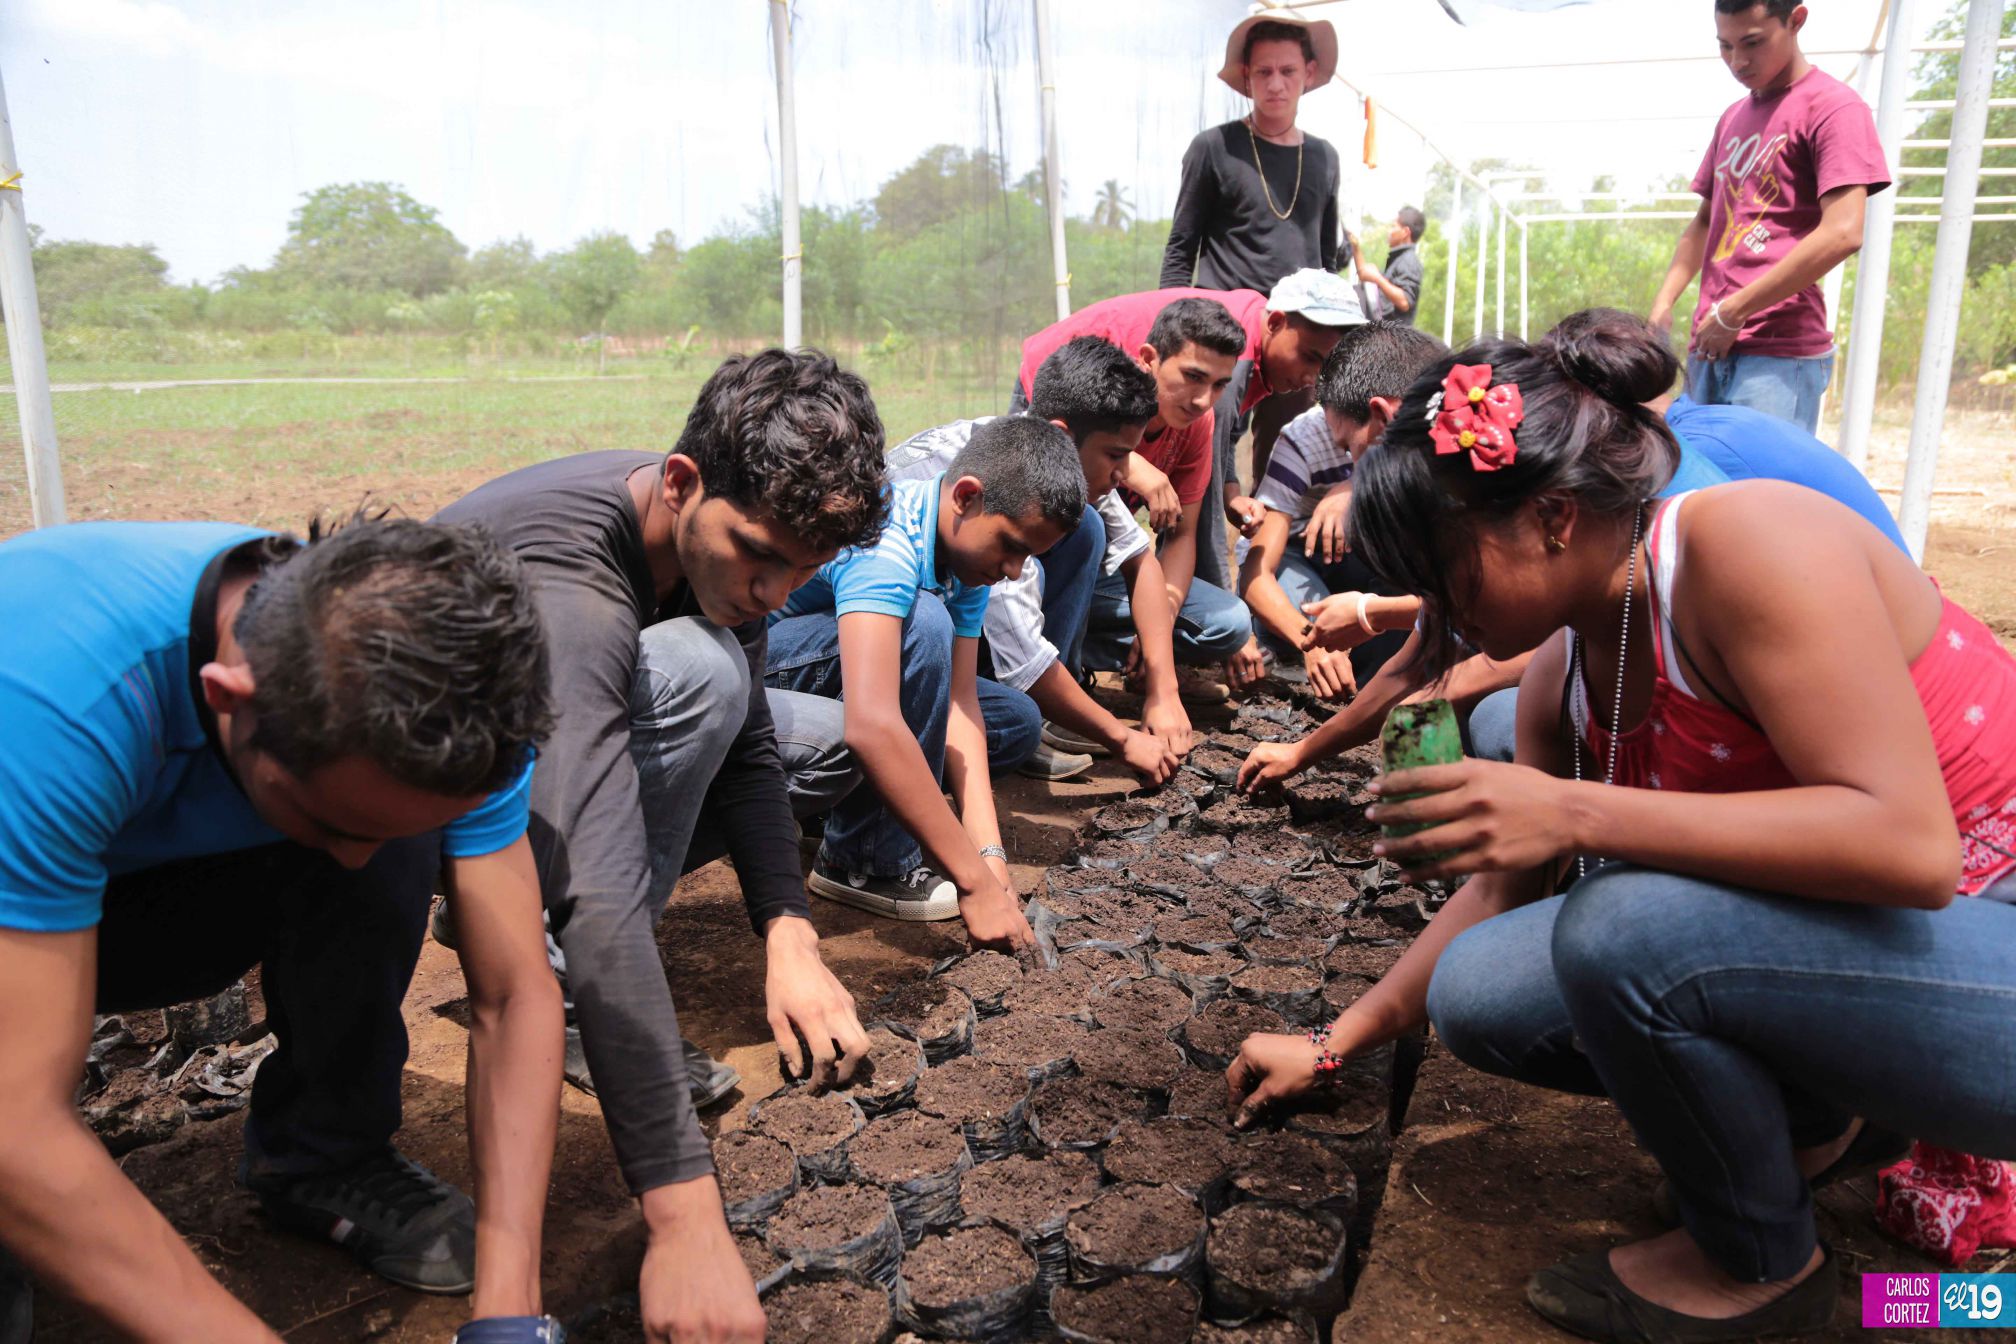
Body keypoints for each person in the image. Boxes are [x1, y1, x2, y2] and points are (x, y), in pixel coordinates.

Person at [1226, 331, 2016, 1343]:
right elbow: (1503, 887)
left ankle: (1761, 1267)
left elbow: (1909, 849)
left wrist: (1576, 813)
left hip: (1983, 953)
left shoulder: (1750, 547)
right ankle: (1827, 1122)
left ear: (1552, 518)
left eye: (1447, 569)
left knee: (1621, 929)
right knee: (1486, 989)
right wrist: (1334, 1044)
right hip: (1883, 955)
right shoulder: (1571, 658)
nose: (1440, 610)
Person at [0, 516, 566, 1342]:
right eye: (330, 822)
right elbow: (17, 1124)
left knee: (384, 837)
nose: (355, 863)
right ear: (231, 697)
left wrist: (510, 1310)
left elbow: (514, 994)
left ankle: (319, 1156)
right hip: (35, 867)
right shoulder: (59, 695)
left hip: (140, 874)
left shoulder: (457, 697)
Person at [433, 349, 891, 1343]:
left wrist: (788, 934)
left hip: (536, 767)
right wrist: (683, 1210)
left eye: (802, 574)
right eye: (760, 557)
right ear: (682, 483)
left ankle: (577, 969)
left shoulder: (716, 550)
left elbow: (756, 754)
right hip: (414, 797)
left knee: (785, 722)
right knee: (703, 671)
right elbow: (598, 881)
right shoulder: (572, 576)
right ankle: (550, 973)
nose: (775, 592)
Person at [1240, 307, 1903, 791]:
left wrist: (1563, 812)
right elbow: (1432, 648)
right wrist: (1308, 748)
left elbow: (1894, 826)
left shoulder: (1692, 512)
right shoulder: (1551, 495)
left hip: (1849, 727)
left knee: (1501, 718)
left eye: (1356, 456)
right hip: (1753, 712)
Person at [766, 416, 1087, 946]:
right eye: (1010, 546)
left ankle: (845, 803)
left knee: (1014, 720)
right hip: (766, 680)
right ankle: (863, 860)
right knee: (925, 626)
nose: (1013, 570)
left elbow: (962, 707)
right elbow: (872, 725)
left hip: (845, 672)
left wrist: (990, 859)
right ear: (966, 497)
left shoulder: (964, 557)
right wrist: (970, 882)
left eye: (1028, 555)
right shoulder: (885, 541)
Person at [899, 336, 1212, 784]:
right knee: (1014, 723)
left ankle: (1048, 710)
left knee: (1088, 527)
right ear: (1065, 435)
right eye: (1116, 455)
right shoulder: (1003, 488)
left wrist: (1165, 692)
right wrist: (1121, 740)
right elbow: (1024, 657)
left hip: (947, 631)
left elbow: (1140, 558)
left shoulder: (1050, 459)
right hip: (876, 641)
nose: (1125, 474)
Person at [1018, 270, 1364, 593]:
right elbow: (1205, 507)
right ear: (1275, 322)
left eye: (1324, 366)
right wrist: (1219, 587)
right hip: (1052, 395)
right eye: (1309, 357)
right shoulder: (1233, 358)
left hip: (1113, 428)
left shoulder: (1238, 346)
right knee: (1044, 529)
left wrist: (1231, 493)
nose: (1312, 377)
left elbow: (1219, 447)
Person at [1648, 0, 1889, 434]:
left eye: (1753, 43)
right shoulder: (1733, 117)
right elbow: (1706, 221)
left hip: (1778, 354)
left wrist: (1735, 311)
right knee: (1709, 488)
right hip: (1710, 346)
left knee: (1760, 494)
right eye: (1725, 46)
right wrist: (1663, 305)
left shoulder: (1833, 107)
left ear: (1796, 20)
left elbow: (1843, 232)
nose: (1738, 61)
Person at [1163, 13, 1347, 503]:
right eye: (1263, 72)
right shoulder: (1214, 148)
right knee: (1202, 451)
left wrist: (1329, 338)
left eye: (1287, 71)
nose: (1276, 84)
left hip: (1296, 333)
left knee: (1286, 457)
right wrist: (1170, 330)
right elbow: (1182, 245)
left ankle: (1267, 563)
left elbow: (1327, 257)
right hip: (1221, 330)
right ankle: (1195, 568)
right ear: (1247, 77)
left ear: (1308, 73)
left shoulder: (1325, 157)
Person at [1238, 321, 1450, 702]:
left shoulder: (1464, 481)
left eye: (1353, 448)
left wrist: (1372, 613)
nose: (1355, 465)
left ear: (1382, 416)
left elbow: (1471, 620)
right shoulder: (1463, 439)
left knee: (1464, 715)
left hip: (1535, 668)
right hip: (1513, 654)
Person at [1350, 206, 1427, 326]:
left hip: (1393, 340)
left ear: (1405, 232)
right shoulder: (1399, 259)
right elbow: (1364, 274)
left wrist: (1377, 279)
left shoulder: (1409, 260)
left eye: (1394, 226)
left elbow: (1404, 301)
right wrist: (1355, 247)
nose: (1389, 231)